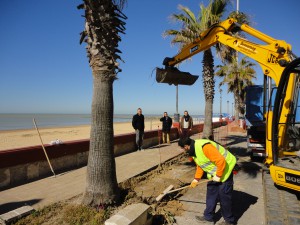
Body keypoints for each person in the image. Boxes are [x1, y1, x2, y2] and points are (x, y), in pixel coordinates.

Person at [178, 137, 237, 225]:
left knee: (224, 197)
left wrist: (218, 176)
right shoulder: (193, 150)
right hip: (214, 174)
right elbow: (200, 165)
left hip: (225, 170)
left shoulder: (204, 147)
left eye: (182, 148)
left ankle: (229, 221)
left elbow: (221, 161)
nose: (183, 150)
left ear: (186, 146)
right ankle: (208, 217)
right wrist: (196, 179)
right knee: (211, 195)